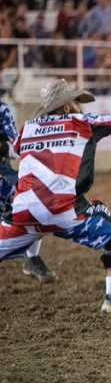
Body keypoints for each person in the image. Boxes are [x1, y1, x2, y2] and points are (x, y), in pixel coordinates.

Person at [0, 80, 111, 313]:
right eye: (76, 101)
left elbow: (10, 149)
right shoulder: (82, 123)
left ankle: (32, 259)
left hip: (22, 214)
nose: (80, 107)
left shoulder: (28, 128)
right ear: (65, 107)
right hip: (67, 212)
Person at [0, 96, 50, 282]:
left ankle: (31, 258)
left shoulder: (1, 110)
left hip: (2, 170)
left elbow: (15, 146)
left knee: (37, 197)